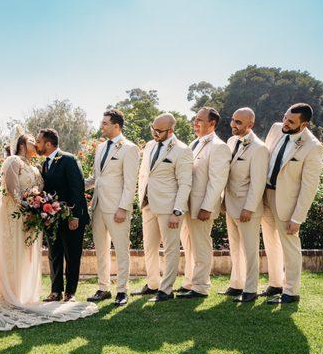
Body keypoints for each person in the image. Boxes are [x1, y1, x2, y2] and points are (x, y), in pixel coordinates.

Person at [0, 126, 97, 331]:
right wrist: (29, 208)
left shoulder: (38, 164)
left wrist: (42, 209)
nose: (36, 145)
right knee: (30, 254)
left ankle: (38, 293)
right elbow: (13, 191)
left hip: (34, 218)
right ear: (23, 144)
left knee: (36, 255)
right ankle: (14, 294)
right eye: (33, 141)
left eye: (38, 141)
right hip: (17, 217)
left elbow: (69, 186)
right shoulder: (13, 161)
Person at [261, 103, 323, 304]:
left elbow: (309, 186)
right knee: (270, 243)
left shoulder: (312, 147)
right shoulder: (275, 129)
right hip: (266, 196)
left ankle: (291, 292)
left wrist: (297, 217)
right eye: (285, 117)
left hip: (287, 202)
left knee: (290, 247)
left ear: (304, 124)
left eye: (291, 121)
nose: (285, 123)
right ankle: (275, 284)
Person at [133, 113, 193, 302]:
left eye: (159, 131)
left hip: (169, 208)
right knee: (149, 246)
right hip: (148, 204)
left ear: (171, 130)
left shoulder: (182, 150)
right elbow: (145, 174)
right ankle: (153, 284)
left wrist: (177, 211)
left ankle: (166, 290)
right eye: (153, 129)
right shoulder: (150, 146)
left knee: (170, 248)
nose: (155, 133)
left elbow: (185, 184)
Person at [85, 109, 140, 306]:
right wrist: (75, 185)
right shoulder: (100, 148)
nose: (102, 126)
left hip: (117, 208)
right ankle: (103, 288)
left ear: (116, 125)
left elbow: (130, 182)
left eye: (105, 123)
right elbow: (96, 178)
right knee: (101, 249)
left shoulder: (129, 148)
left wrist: (123, 208)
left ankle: (122, 290)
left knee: (121, 249)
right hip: (98, 206)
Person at [178, 107, 230, 299]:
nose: (195, 122)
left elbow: (217, 181)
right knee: (189, 246)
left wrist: (207, 207)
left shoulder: (219, 147)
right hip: (187, 204)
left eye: (200, 120)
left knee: (201, 246)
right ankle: (190, 281)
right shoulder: (194, 142)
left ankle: (201, 286)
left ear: (212, 123)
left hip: (202, 206)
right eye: (195, 119)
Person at [36, 128, 90, 302]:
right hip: (52, 218)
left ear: (48, 144)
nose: (37, 145)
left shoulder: (68, 159)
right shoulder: (45, 164)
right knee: (55, 254)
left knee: (72, 255)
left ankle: (70, 293)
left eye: (39, 142)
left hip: (71, 217)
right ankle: (55, 291)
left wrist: (75, 216)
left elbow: (77, 189)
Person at [221, 108, 269, 303]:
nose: (233, 124)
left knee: (250, 250)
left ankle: (250, 289)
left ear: (251, 125)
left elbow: (258, 183)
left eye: (239, 122)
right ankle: (236, 284)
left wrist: (249, 208)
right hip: (230, 205)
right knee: (235, 247)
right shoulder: (231, 141)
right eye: (233, 120)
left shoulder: (259, 148)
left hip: (247, 208)